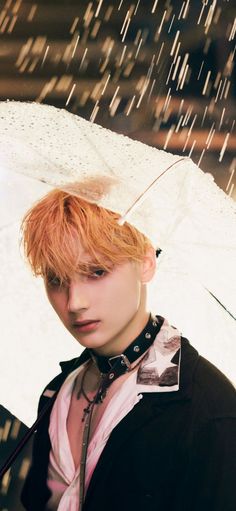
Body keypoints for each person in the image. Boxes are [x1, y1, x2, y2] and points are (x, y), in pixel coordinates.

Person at [20, 186, 236, 511]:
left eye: (97, 271)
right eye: (56, 279)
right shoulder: (57, 393)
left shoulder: (208, 411)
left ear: (146, 261)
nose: (75, 302)